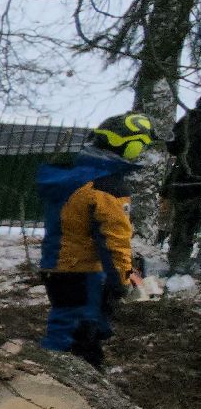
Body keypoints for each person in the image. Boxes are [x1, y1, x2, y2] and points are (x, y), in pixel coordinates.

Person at [37, 113, 160, 366]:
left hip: (56, 265)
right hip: (84, 271)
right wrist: (122, 278)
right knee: (80, 340)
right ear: (130, 145)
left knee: (66, 325)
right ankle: (55, 389)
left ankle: (51, 380)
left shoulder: (74, 175)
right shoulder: (107, 186)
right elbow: (114, 239)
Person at [163, 101, 201, 274]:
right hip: (188, 183)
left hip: (184, 183)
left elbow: (172, 146)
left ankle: (178, 264)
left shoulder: (189, 119)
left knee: (184, 224)